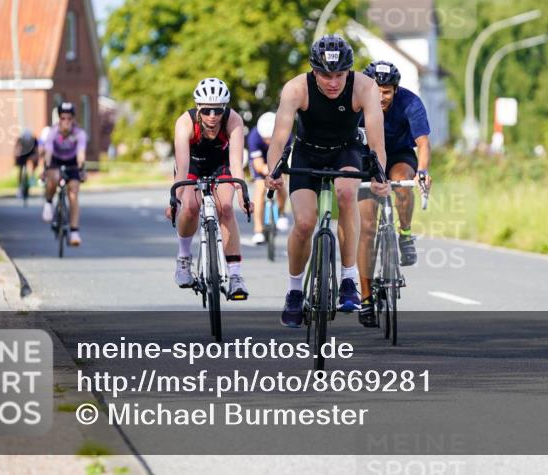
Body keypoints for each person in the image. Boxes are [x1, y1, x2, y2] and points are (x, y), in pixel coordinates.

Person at [264, 35, 390, 328]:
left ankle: (348, 279)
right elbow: (279, 138)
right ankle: (295, 290)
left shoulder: (365, 87)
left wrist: (379, 175)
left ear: (349, 71)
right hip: (307, 153)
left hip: (345, 151)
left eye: (339, 75)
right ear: (313, 71)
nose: (333, 82)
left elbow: (376, 141)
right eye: (325, 75)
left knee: (347, 194)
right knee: (305, 222)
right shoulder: (296, 88)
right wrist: (273, 173)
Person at [355, 60, 433, 327]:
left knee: (403, 181)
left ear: (395, 90)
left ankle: (405, 234)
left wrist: (422, 171)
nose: (381, 96)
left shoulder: (410, 102)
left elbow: (423, 143)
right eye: (376, 89)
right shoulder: (356, 102)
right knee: (366, 228)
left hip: (398, 155)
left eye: (386, 91)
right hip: (366, 160)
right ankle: (365, 300)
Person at [167, 78, 251, 299]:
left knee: (226, 207)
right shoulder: (184, 123)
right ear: (198, 109)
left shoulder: (233, 121)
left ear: (225, 108)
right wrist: (175, 199)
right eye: (206, 111)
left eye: (217, 110)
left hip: (221, 164)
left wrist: (242, 193)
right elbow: (182, 167)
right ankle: (184, 258)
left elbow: (236, 163)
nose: (212, 116)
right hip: (192, 164)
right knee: (191, 207)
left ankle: (235, 276)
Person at [41, 102, 88, 245]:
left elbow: (81, 154)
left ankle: (74, 232)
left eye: (69, 118)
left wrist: (81, 169)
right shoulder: (53, 132)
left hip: (72, 162)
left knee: (73, 194)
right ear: (59, 119)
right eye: (63, 118)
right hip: (56, 160)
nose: (66, 121)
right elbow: (48, 152)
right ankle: (48, 203)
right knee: (53, 178)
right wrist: (46, 168)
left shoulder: (79, 133)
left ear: (73, 119)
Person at [247, 112, 289, 245]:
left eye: (271, 138)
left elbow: (285, 159)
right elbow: (258, 165)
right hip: (261, 161)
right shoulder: (254, 137)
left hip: (278, 159)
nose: (268, 141)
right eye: (266, 139)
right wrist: (266, 170)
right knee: (259, 189)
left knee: (280, 183)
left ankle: (281, 213)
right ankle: (258, 230)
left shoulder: (285, 135)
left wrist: (277, 172)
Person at [13, 129, 40, 196]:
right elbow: (16, 149)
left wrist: (36, 157)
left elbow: (36, 151)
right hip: (23, 154)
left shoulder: (34, 140)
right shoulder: (20, 139)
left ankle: (32, 176)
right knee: (20, 168)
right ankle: (20, 184)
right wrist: (17, 155)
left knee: (35, 160)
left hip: (31, 153)